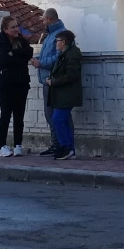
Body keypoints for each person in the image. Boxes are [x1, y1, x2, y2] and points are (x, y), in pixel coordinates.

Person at [0, 14, 34, 157]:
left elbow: (28, 53)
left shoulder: (21, 40)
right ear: (5, 29)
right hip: (5, 84)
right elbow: (2, 60)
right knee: (5, 114)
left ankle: (18, 145)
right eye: (13, 27)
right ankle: (2, 146)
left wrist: (13, 53)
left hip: (21, 83)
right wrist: (17, 58)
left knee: (19, 116)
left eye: (17, 26)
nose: (16, 29)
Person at [30, 8, 68, 156]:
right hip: (47, 81)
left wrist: (41, 63)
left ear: (50, 19)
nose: (43, 22)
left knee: (56, 115)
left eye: (44, 19)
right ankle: (56, 144)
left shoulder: (60, 35)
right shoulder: (51, 35)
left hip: (54, 81)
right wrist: (37, 59)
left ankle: (62, 145)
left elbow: (58, 59)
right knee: (49, 114)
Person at [44, 30, 82, 160]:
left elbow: (71, 75)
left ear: (64, 42)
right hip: (62, 94)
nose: (56, 43)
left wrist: (53, 82)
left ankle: (66, 147)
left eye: (58, 41)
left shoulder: (72, 55)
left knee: (58, 119)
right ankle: (69, 149)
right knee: (61, 120)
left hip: (67, 94)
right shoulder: (64, 54)